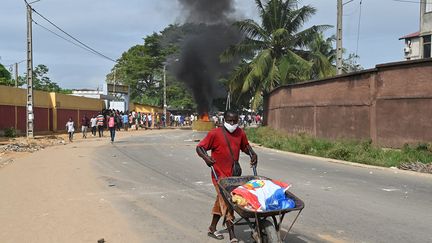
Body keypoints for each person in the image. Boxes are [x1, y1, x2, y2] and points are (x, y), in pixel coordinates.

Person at [196, 110, 258, 242]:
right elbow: (200, 148)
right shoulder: (215, 133)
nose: (232, 123)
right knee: (228, 201)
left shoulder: (240, 133)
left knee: (221, 200)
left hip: (233, 176)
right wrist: (206, 158)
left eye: (235, 121)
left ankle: (212, 228)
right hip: (218, 175)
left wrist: (253, 154)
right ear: (224, 120)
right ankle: (232, 235)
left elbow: (245, 146)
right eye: (229, 120)